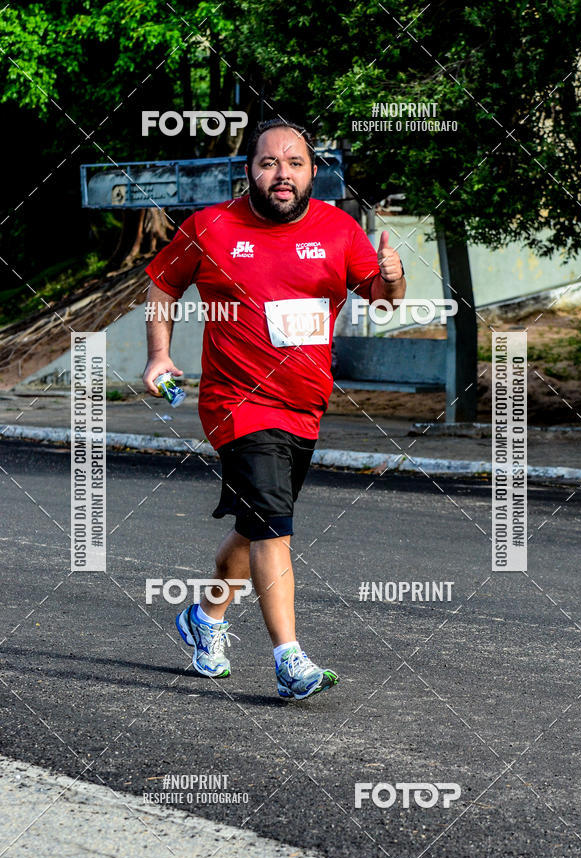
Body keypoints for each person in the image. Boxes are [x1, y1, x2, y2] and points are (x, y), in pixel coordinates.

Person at [142, 119, 406, 700]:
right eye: (268, 163)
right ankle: (289, 659)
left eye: (294, 164)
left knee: (256, 525)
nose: (281, 174)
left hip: (303, 404)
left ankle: (203, 620)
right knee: (275, 526)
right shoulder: (210, 227)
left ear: (313, 172)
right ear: (250, 172)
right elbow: (162, 286)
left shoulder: (337, 229)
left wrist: (393, 276)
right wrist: (159, 355)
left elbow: (383, 301)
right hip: (235, 401)